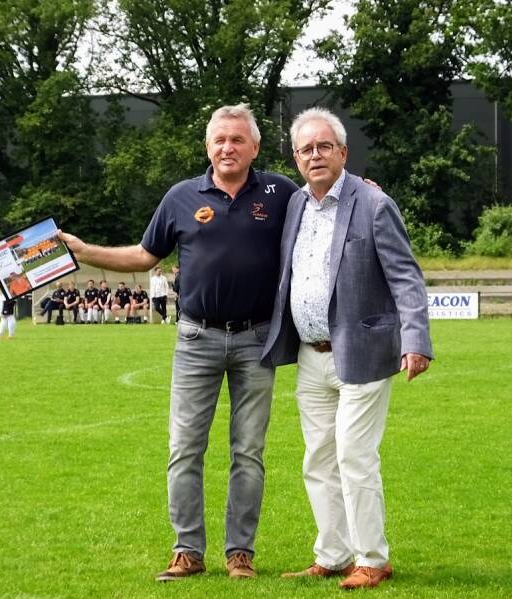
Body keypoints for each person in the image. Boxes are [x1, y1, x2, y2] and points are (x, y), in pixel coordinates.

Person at [59, 103, 299, 581]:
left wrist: (361, 190)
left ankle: (240, 554)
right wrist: (86, 252)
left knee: (248, 452)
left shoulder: (281, 193)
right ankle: (188, 550)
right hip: (196, 337)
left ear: (254, 147)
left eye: (237, 139)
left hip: (256, 340)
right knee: (185, 448)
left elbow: (325, 206)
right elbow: (144, 256)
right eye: (219, 140)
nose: (227, 148)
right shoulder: (181, 196)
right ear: (207, 146)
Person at [261, 108, 433, 590]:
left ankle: (372, 559)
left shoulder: (374, 203)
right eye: (306, 149)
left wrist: (416, 340)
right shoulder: (294, 205)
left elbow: (406, 276)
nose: (315, 155)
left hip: (362, 350)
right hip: (309, 355)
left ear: (343, 152)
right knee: (318, 459)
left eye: (324, 146)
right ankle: (333, 554)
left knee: (354, 455)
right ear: (296, 159)